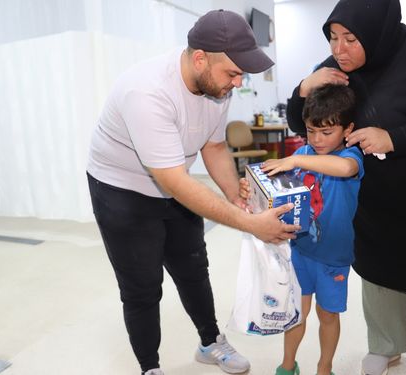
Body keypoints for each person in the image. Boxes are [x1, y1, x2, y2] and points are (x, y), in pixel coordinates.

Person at [86, 9, 299, 375]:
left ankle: (209, 342)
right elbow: (173, 181)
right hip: (121, 189)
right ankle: (149, 367)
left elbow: (213, 147)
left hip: (173, 179)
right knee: (142, 286)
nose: (237, 82)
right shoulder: (147, 91)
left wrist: (236, 196)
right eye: (233, 73)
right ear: (199, 58)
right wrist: (250, 225)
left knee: (193, 268)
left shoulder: (216, 85)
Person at [286, 1, 406, 374]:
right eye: (333, 38)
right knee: (378, 270)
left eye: (350, 39)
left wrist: (393, 137)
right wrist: (303, 89)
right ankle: (386, 346)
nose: (339, 50)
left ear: (377, 33)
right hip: (371, 199)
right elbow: (302, 122)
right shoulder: (332, 70)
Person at [260, 84, 364, 375]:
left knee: (328, 314)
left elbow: (343, 170)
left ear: (348, 129)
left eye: (326, 132)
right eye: (310, 130)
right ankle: (288, 365)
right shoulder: (304, 152)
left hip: (334, 257)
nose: (316, 140)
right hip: (301, 251)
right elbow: (275, 191)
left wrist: (294, 159)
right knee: (296, 314)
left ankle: (324, 368)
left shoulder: (353, 158)